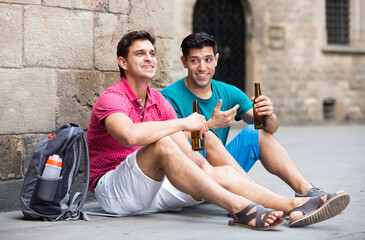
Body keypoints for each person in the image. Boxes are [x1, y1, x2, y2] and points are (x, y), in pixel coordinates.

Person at [87, 30, 349, 230]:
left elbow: (261, 129)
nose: (148, 58)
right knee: (165, 142)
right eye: (140, 54)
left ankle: (296, 203)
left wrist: (212, 171)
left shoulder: (158, 100)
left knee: (213, 162)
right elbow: (131, 135)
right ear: (122, 62)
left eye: (152, 53)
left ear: (216, 61)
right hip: (115, 192)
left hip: (156, 187)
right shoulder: (113, 98)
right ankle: (240, 208)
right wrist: (188, 123)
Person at [161, 32, 324, 198]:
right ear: (184, 62)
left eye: (208, 60)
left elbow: (269, 128)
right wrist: (209, 125)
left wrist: (267, 114)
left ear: (216, 60)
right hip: (186, 178)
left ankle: (306, 191)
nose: (202, 67)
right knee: (208, 137)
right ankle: (263, 197)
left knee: (257, 133)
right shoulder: (169, 97)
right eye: (195, 60)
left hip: (222, 172)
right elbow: (168, 141)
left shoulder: (228, 92)